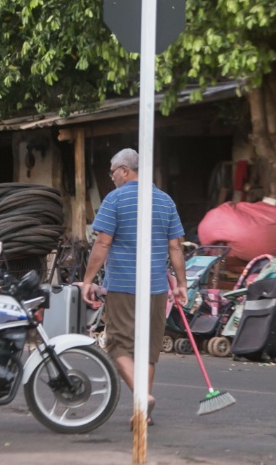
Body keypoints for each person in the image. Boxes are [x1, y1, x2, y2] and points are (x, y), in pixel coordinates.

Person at [80, 148, 187, 426]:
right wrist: (182, 284)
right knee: (148, 350)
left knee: (117, 344)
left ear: (125, 171)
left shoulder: (114, 199)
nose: (112, 177)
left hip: (124, 286)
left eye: (113, 171)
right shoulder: (165, 201)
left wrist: (88, 280)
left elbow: (102, 243)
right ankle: (142, 411)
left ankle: (142, 397)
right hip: (156, 288)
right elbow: (175, 246)